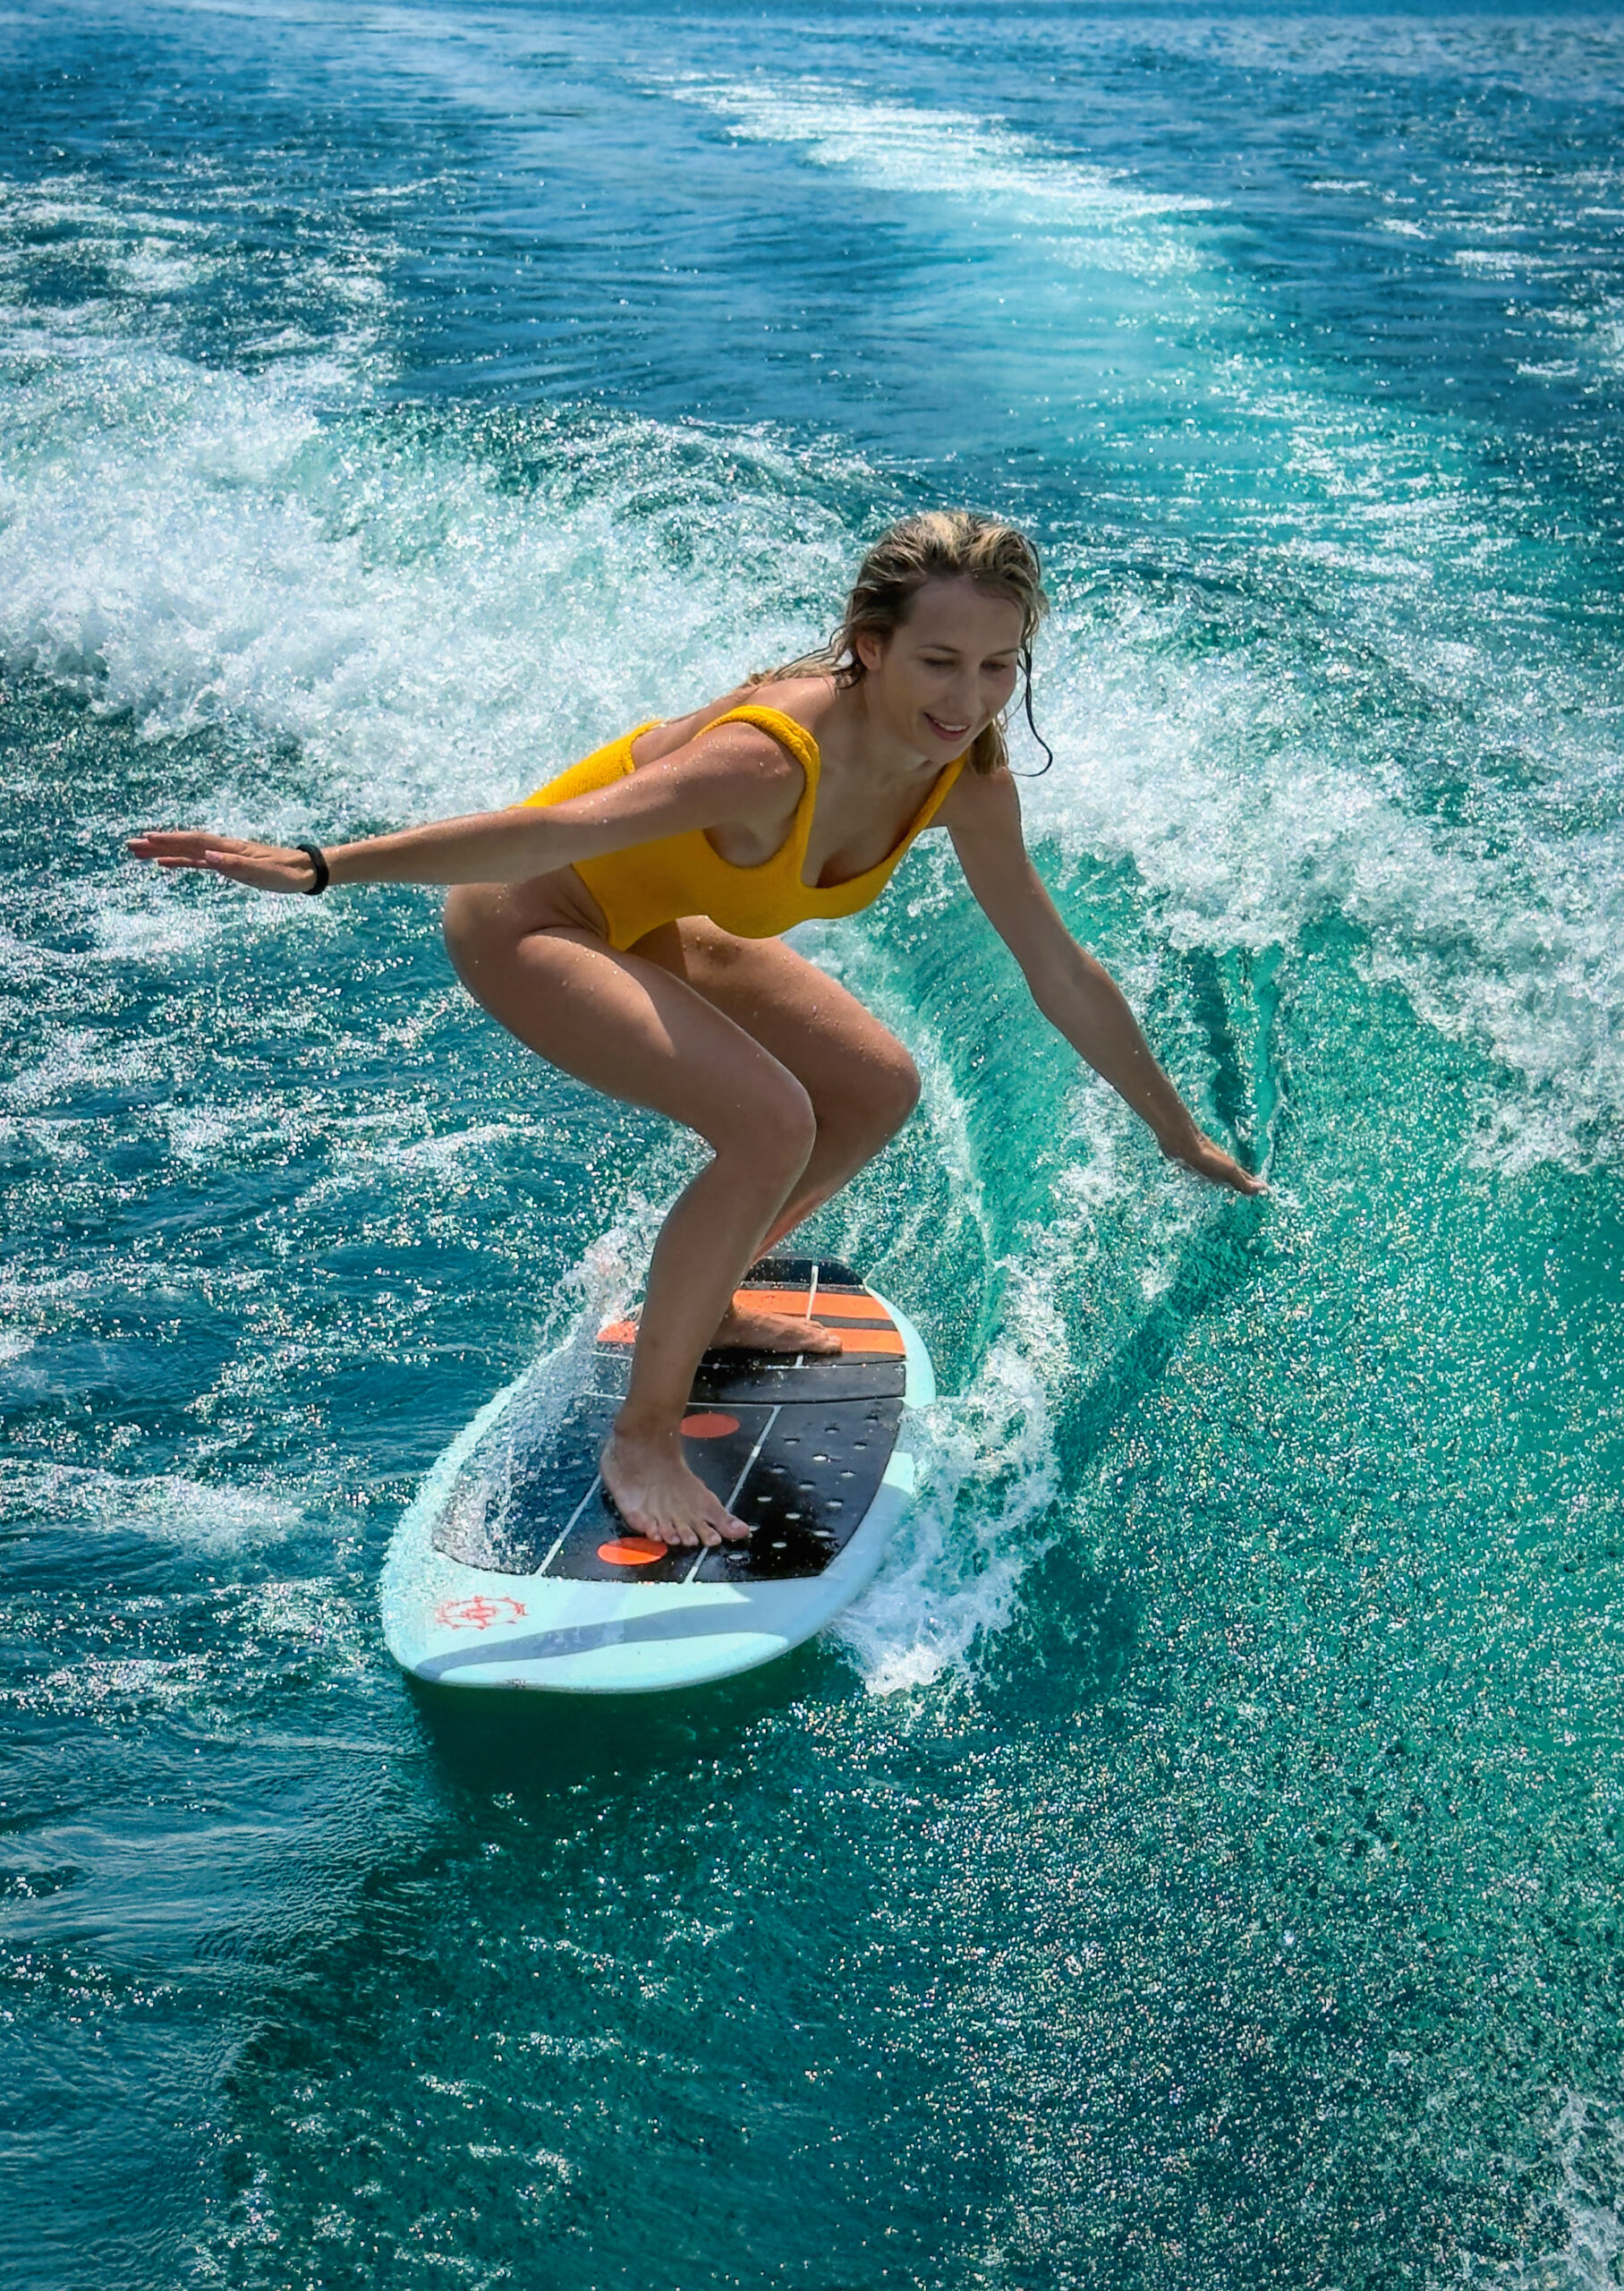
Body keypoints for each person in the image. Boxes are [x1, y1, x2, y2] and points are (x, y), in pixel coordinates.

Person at [131, 511, 1263, 1551]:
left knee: (876, 1088)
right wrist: (323, 866)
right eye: (939, 660)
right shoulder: (769, 758)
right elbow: (543, 834)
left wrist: (1174, 1131)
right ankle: (645, 1434)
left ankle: (707, 1302)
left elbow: (1057, 966)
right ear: (868, 645)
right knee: (770, 1122)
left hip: (646, 919)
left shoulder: (962, 775)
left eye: (999, 665)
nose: (969, 697)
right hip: (530, 915)